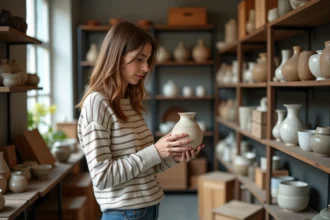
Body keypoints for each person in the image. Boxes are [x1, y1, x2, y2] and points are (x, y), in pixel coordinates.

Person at [77, 21, 205, 220]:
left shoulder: (126, 101)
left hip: (147, 210)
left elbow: (146, 167)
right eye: (139, 59)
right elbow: (102, 176)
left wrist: (172, 156)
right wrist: (156, 150)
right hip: (124, 214)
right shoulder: (97, 102)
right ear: (116, 56)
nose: (146, 68)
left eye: (147, 60)